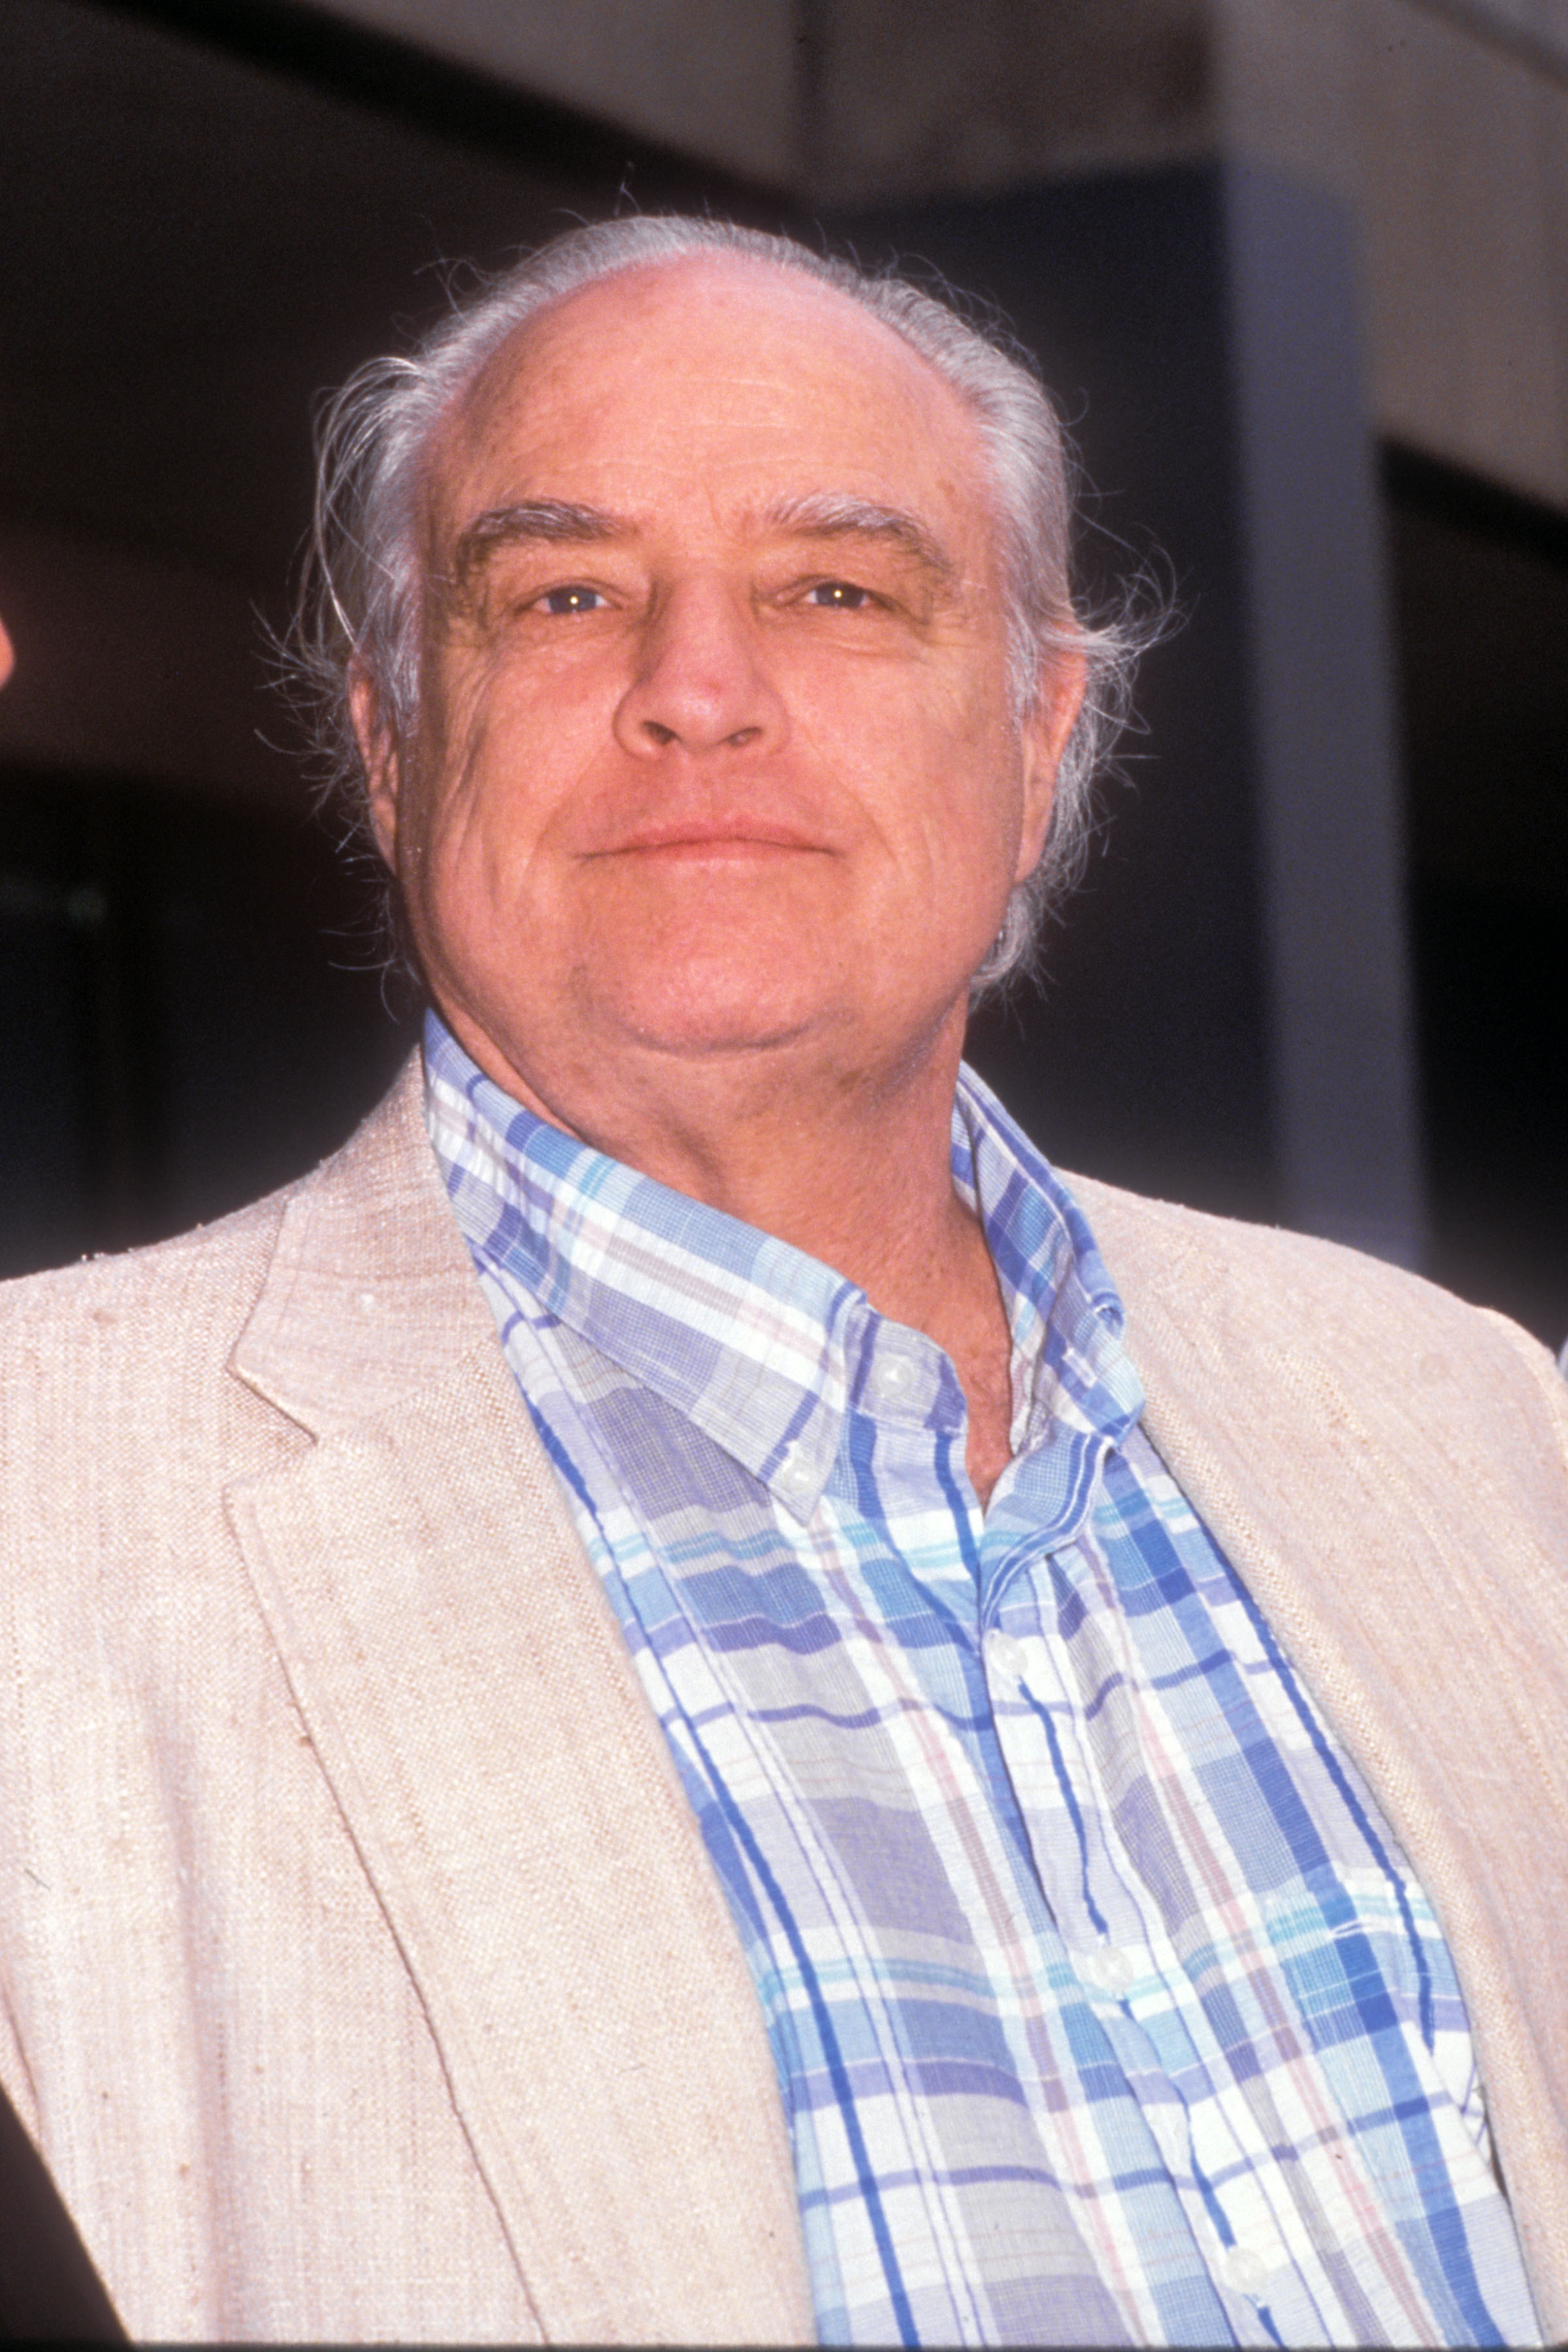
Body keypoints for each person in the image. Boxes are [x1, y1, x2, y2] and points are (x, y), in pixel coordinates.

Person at [1, 216, 1565, 2349]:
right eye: (565, 595)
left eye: (838, 588)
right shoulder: (43, 1512)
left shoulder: (1476, 1422)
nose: (697, 692)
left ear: (1038, 734)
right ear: (387, 744)